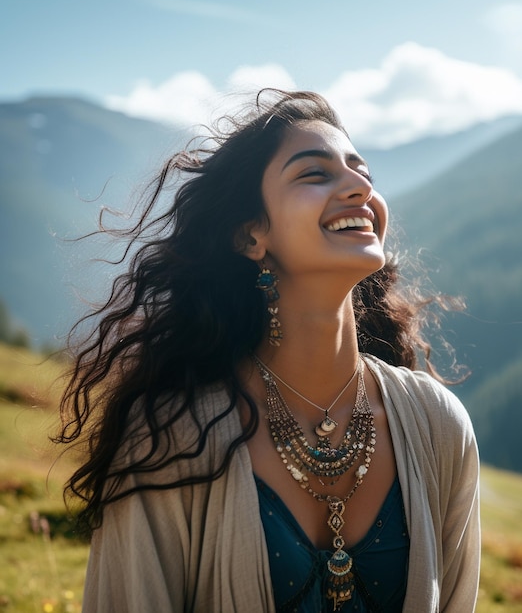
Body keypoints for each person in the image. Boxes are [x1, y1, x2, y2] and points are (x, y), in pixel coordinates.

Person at [58, 89, 480, 613]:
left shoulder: (437, 426)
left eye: (362, 171)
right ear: (250, 236)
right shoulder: (173, 437)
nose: (360, 187)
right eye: (315, 173)